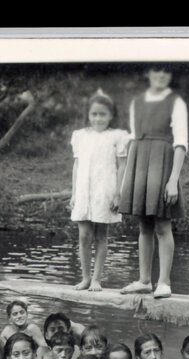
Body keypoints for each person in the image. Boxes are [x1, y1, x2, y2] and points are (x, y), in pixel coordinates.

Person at [118, 66, 189, 300]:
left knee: (162, 225)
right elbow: (132, 139)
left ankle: (164, 282)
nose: (161, 76)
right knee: (144, 226)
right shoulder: (136, 102)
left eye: (166, 72)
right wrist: (127, 179)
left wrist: (172, 180)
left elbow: (180, 144)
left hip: (162, 162)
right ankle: (144, 280)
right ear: (148, 73)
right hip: (139, 163)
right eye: (156, 71)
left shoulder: (175, 102)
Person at [69, 90, 130, 292]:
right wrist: (74, 194)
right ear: (88, 115)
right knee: (84, 235)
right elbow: (76, 167)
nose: (98, 118)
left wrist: (118, 193)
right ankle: (85, 277)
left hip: (105, 189)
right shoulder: (80, 136)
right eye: (94, 114)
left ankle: (96, 279)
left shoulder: (118, 136)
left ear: (111, 115)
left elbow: (122, 166)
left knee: (101, 235)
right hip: (84, 191)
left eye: (103, 114)